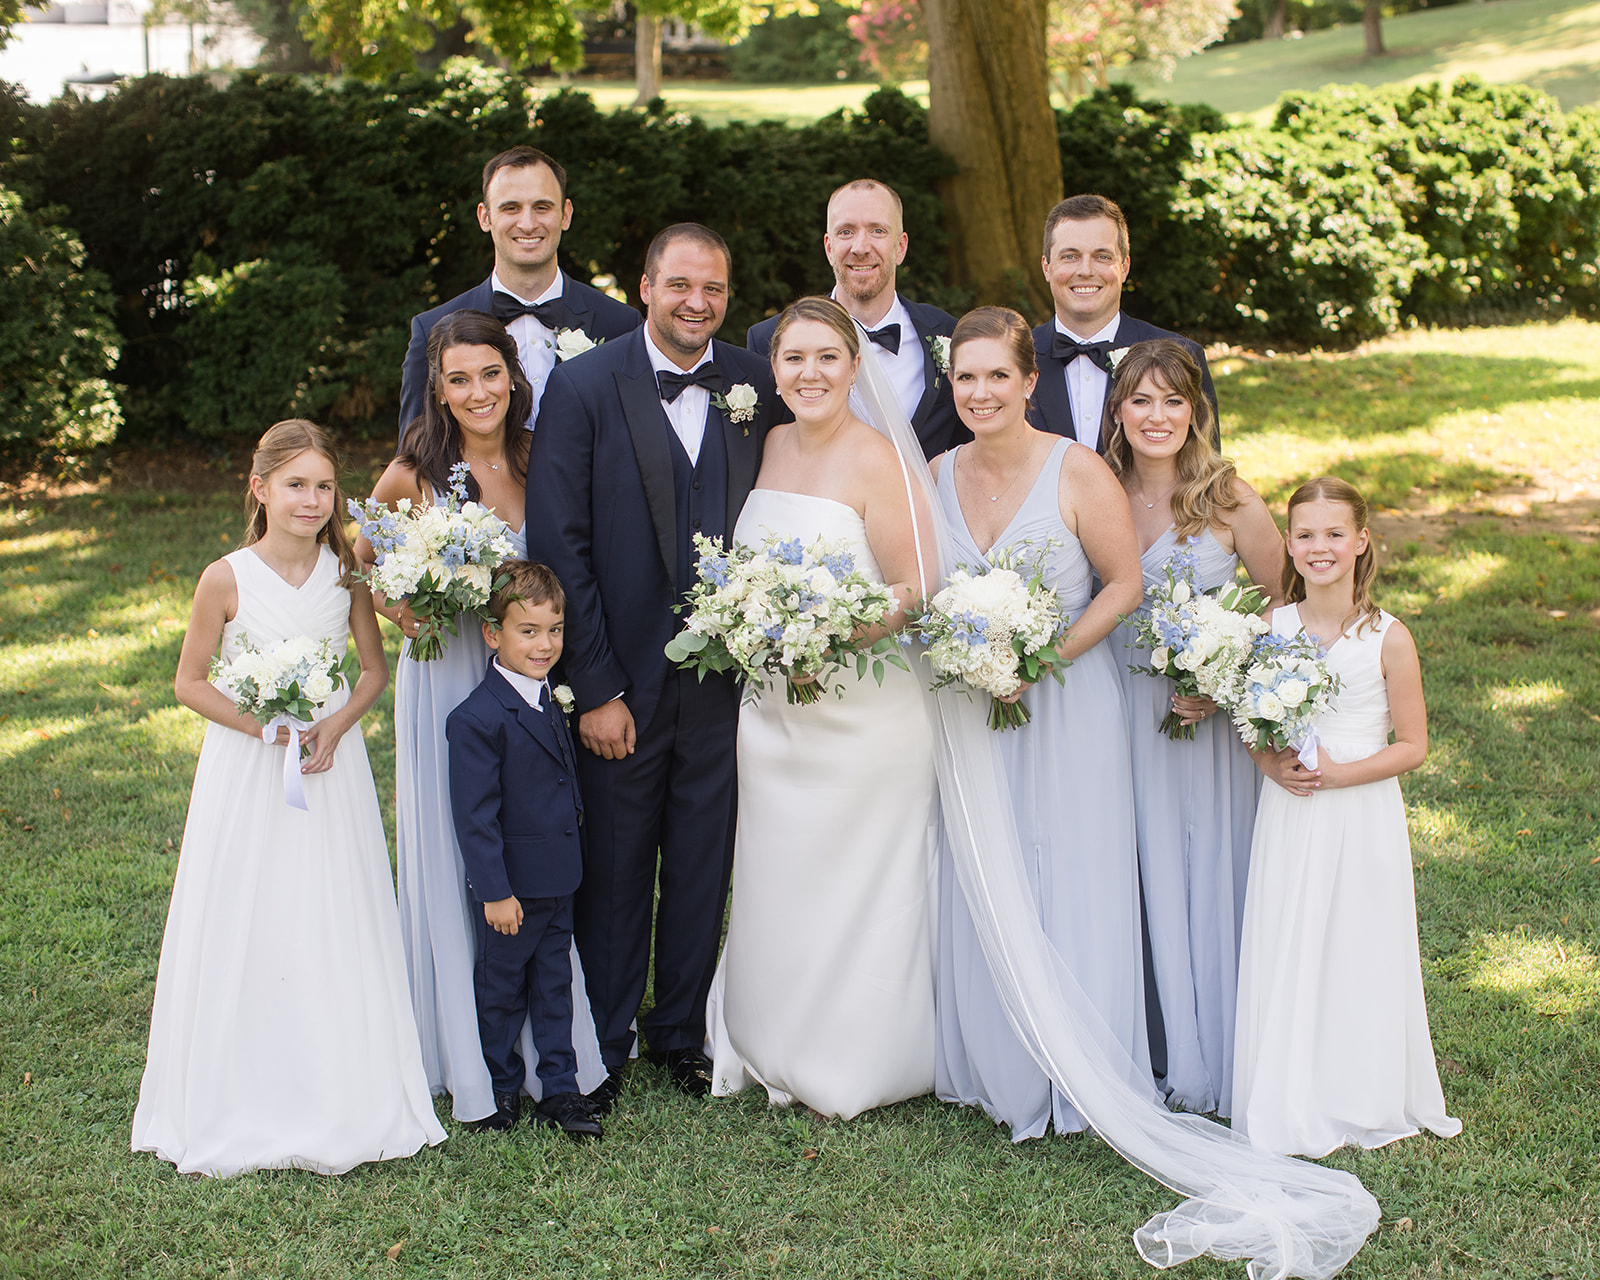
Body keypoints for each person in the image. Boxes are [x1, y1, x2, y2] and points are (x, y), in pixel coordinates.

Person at [133, 419, 446, 1177]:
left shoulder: (346, 573)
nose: (312, 500)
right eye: (297, 485)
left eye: (325, 486)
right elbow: (189, 682)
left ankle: (342, 1078)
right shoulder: (225, 576)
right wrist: (261, 728)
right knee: (250, 903)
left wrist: (335, 726)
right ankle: (241, 1081)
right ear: (261, 487)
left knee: (330, 907)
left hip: (327, 770)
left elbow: (371, 668)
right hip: (247, 771)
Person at [527, 223, 788, 1114]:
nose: (696, 304)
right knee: (615, 865)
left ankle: (679, 1031)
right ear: (644, 286)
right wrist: (592, 688)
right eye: (679, 285)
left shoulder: (756, 384)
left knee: (704, 863)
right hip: (621, 682)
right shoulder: (584, 386)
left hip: (726, 687)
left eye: (713, 290)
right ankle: (602, 1043)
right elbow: (560, 546)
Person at [360, 308, 605, 1124]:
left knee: (528, 827)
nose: (477, 392)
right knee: (461, 833)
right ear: (437, 387)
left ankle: (549, 1061)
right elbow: (358, 555)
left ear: (514, 375)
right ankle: (466, 1052)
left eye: (489, 374)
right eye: (458, 379)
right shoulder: (415, 470)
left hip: (529, 669)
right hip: (448, 674)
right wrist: (403, 612)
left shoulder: (541, 458)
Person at [705, 296, 939, 1119]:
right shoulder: (767, 444)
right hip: (772, 713)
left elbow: (915, 591)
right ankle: (770, 1038)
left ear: (854, 367)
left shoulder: (881, 461)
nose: (809, 374)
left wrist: (824, 642)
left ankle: (857, 1056)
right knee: (780, 871)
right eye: (794, 359)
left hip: (863, 719)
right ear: (773, 370)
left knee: (856, 878)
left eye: (826, 358)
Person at [930, 306, 1149, 1139]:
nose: (980, 391)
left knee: (1072, 871)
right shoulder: (937, 470)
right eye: (966, 376)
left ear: (1029, 382)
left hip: (1066, 702)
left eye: (997, 376)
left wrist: (1040, 660)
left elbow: (1121, 585)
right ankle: (1003, 1063)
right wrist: (972, 658)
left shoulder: (1077, 468)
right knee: (991, 867)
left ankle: (1083, 1069)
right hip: (971, 709)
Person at [1232, 476, 1462, 1157]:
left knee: (1358, 940)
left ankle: (1359, 1088)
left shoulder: (1390, 638)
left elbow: (1414, 746)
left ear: (1362, 542)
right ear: (1289, 545)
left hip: (1360, 810)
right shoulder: (1269, 629)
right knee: (1291, 933)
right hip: (1291, 811)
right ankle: (1290, 1084)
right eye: (1305, 535)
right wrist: (1272, 765)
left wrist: (1340, 775)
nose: (1319, 547)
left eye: (1335, 534)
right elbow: (1252, 724)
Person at [1101, 339, 1285, 1118]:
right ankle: (1136, 1044)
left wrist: (1226, 675)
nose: (1157, 415)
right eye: (1141, 400)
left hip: (1201, 728)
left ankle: (1211, 1052)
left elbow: (1287, 606)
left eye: (1174, 400)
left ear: (1196, 411)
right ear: (1118, 410)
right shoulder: (1095, 486)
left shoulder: (1231, 498)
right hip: (1111, 713)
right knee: (1124, 871)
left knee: (1201, 871)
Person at [446, 561, 602, 1140]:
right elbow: (476, 817)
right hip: (511, 890)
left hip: (559, 879)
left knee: (555, 987)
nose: (545, 644)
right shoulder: (477, 718)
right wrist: (496, 892)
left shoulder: (552, 699)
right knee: (501, 991)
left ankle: (560, 1089)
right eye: (528, 631)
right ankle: (501, 1087)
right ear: (493, 634)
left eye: (554, 630)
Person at [398, 146, 641, 440]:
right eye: (510, 208)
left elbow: (633, 445)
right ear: (484, 217)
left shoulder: (621, 325)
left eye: (542, 207)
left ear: (565, 215)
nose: (527, 224)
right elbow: (415, 453)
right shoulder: (432, 329)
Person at [746, 179, 963, 460]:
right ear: (828, 247)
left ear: (900, 247)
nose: (861, 247)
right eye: (846, 232)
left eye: (877, 230)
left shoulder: (948, 332)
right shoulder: (768, 339)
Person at [1032, 194, 1219, 455]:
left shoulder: (1184, 356)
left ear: (1125, 267)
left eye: (1102, 256)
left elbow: (1204, 473)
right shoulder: (1014, 359)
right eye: (1070, 256)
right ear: (1046, 267)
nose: (1085, 270)